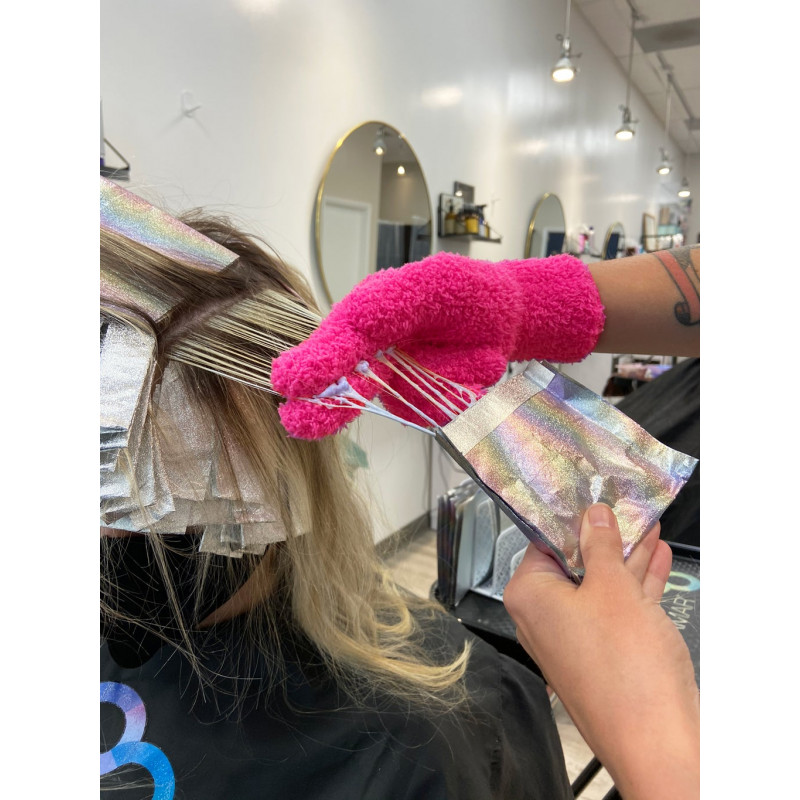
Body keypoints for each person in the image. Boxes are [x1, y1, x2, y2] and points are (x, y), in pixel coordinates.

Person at [101, 172, 699, 798]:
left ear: (271, 477)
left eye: (145, 488)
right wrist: (524, 301)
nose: (108, 531)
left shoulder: (431, 741)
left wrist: (651, 734)